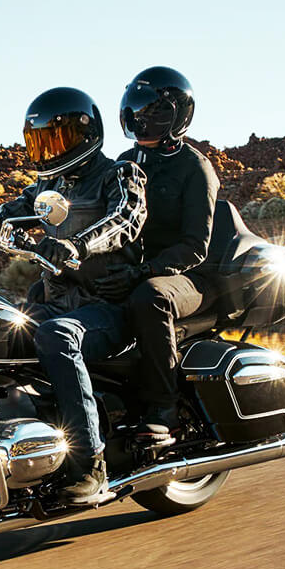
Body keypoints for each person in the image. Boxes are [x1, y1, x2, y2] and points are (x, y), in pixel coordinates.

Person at [0, 86, 147, 503]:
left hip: (106, 306)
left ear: (86, 133)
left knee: (56, 336)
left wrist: (77, 245)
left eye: (57, 138)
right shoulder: (49, 185)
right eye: (41, 142)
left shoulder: (120, 174)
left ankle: (90, 464)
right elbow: (9, 211)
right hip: (56, 302)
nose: (49, 150)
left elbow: (125, 219)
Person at [93, 66, 220, 445]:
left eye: (156, 112)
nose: (144, 120)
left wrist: (142, 272)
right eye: (138, 112)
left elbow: (196, 246)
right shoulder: (124, 161)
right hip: (138, 269)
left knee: (150, 297)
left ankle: (164, 409)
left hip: (191, 277)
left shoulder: (196, 169)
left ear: (179, 116)